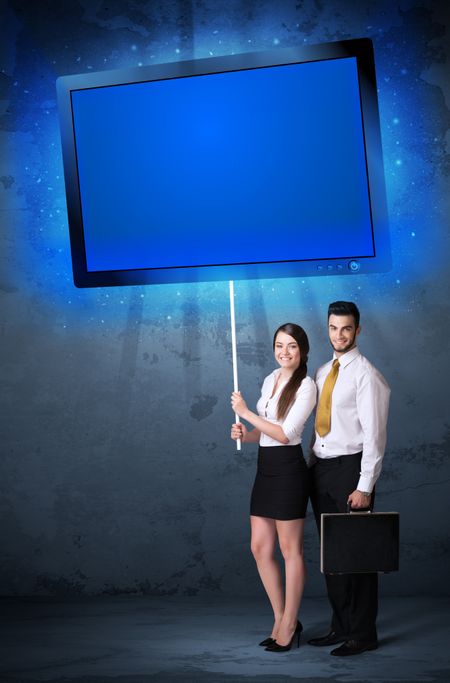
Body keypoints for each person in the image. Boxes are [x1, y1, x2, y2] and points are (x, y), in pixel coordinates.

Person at [308, 301, 390, 657]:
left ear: (358, 330)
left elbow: (375, 435)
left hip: (351, 471)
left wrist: (364, 485)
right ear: (327, 329)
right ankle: (340, 627)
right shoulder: (323, 371)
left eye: (346, 328)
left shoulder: (366, 375)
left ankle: (363, 633)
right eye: (333, 327)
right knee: (333, 557)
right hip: (321, 469)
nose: (339, 334)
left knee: (357, 555)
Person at [230, 323, 316, 652]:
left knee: (289, 550)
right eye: (280, 345)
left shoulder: (306, 386)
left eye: (292, 346)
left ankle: (290, 622)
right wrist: (245, 433)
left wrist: (246, 412)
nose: (284, 351)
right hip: (265, 469)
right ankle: (280, 617)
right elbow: (266, 434)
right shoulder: (270, 379)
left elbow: (285, 434)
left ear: (303, 350)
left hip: (289, 472)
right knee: (259, 548)